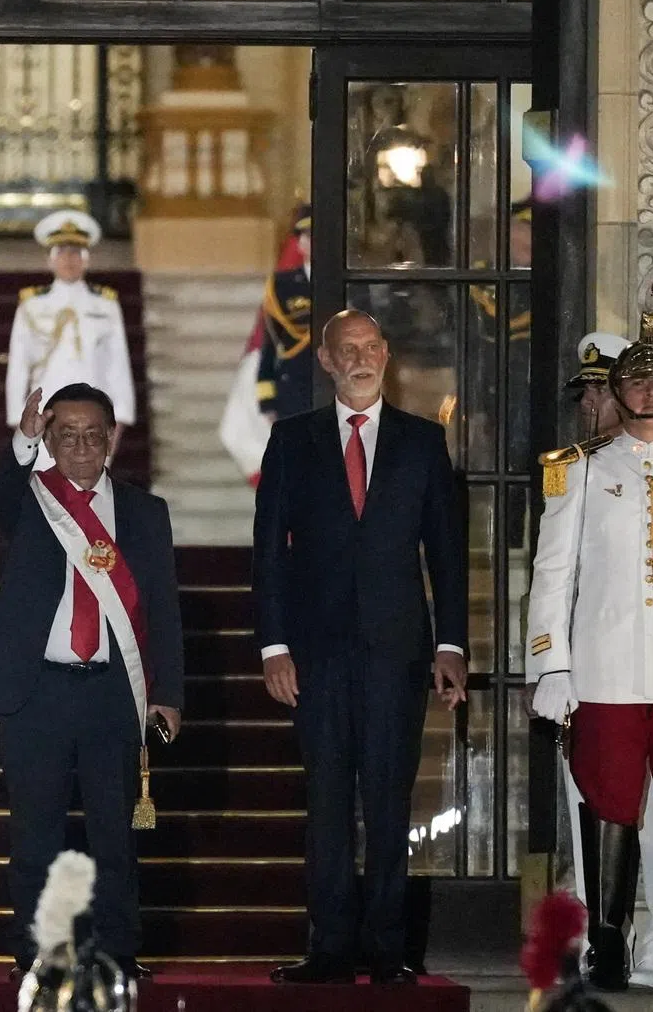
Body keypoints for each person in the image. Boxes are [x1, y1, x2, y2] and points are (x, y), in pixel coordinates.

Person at [253, 309, 468, 984]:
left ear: (386, 354)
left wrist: (453, 644)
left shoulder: (423, 443)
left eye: (371, 346)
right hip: (314, 656)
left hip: (396, 653)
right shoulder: (292, 441)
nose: (360, 357)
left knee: (386, 799)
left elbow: (447, 554)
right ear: (324, 360)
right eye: (346, 348)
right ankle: (329, 949)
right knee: (326, 802)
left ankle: (386, 950)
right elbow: (268, 554)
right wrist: (273, 647)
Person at [0, 382, 183, 978]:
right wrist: (23, 441)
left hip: (114, 692)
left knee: (115, 837)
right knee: (36, 837)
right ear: (50, 440)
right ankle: (36, 953)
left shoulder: (144, 511)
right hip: (37, 692)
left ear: (112, 437)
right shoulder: (30, 500)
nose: (81, 446)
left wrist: (167, 695)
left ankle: (117, 950)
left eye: (92, 434)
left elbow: (161, 608)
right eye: (66, 435)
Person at [528, 313, 653, 994]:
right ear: (616, 387)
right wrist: (550, 660)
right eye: (634, 380)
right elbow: (552, 572)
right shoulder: (578, 471)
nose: (646, 391)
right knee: (610, 803)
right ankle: (606, 946)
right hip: (606, 668)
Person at [4, 210, 135, 463]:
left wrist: (120, 420)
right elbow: (19, 366)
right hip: (46, 416)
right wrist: (18, 420)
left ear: (87, 259)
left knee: (89, 495)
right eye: (62, 252)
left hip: (96, 414)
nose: (69, 259)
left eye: (76, 252)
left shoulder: (105, 305)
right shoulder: (31, 305)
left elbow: (118, 366)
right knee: (45, 493)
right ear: (50, 260)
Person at [256, 203, 313, 421]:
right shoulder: (282, 285)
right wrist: (267, 400)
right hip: (293, 390)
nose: (312, 241)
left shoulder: (344, 282)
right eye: (306, 235)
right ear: (299, 243)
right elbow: (270, 344)